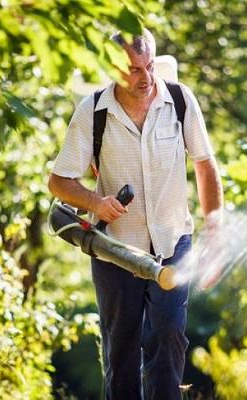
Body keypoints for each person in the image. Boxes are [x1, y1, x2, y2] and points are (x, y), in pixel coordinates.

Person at [48, 28, 223, 400]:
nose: (145, 79)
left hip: (172, 244)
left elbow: (205, 166)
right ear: (113, 67)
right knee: (121, 352)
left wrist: (215, 231)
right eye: (133, 70)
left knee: (169, 337)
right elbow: (59, 182)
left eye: (149, 67)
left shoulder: (179, 100)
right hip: (115, 251)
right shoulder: (92, 112)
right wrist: (96, 203)